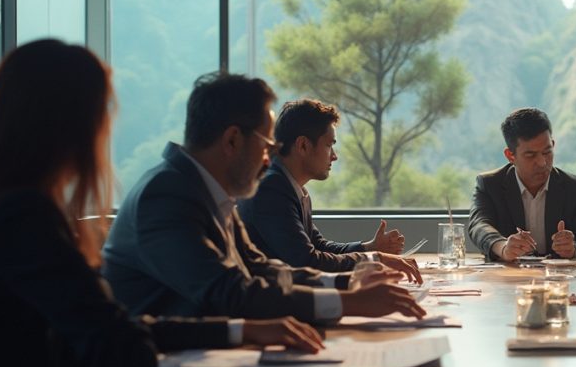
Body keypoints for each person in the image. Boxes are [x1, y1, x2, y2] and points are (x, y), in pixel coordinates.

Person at [0, 40, 324, 367]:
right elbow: (127, 360)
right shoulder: (23, 217)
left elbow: (124, 325)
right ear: (72, 126)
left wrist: (241, 330)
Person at [103, 72, 425, 322]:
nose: (269, 160)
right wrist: (348, 301)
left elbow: (259, 268)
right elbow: (230, 292)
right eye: (267, 147)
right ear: (232, 140)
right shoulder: (167, 194)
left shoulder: (206, 190)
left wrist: (346, 285)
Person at [239, 99, 418, 277]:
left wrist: (368, 248)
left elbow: (319, 246)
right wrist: (374, 258)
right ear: (303, 145)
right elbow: (308, 261)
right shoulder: (270, 190)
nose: (334, 156)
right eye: (329, 145)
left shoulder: (293, 188)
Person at [468, 108, 576, 261]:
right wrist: (503, 247)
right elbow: (479, 226)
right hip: (510, 279)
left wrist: (574, 248)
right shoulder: (490, 184)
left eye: (547, 152)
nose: (542, 162)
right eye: (530, 155)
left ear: (553, 144)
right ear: (510, 155)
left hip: (560, 280)